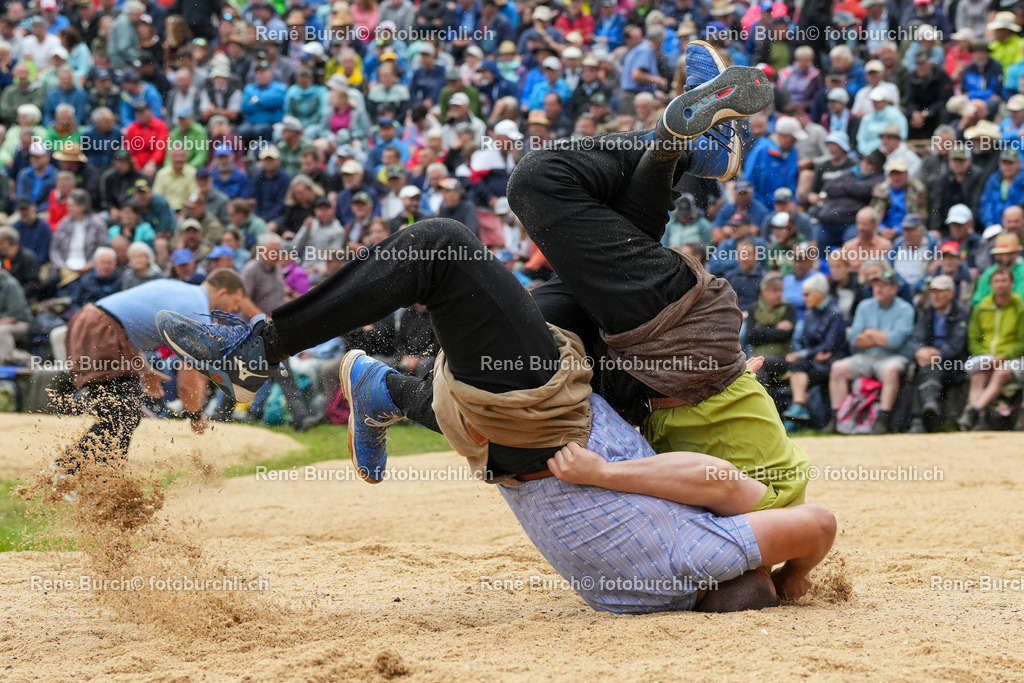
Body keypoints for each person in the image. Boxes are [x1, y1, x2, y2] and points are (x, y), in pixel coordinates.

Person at [158, 74, 836, 613]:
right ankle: (683, 152)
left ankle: (274, 357)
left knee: (509, 204)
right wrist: (791, 587)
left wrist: (792, 582)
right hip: (638, 377)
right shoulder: (628, 592)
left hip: (575, 403)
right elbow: (767, 505)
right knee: (531, 229)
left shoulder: (695, 557)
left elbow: (787, 517)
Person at [56, 270, 246, 476]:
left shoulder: (183, 291)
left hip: (94, 323)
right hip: (100, 329)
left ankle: (102, 485)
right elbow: (187, 381)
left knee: (122, 417)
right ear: (223, 292)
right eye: (236, 301)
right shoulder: (196, 313)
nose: (235, 309)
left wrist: (145, 370)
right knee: (120, 417)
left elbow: (129, 320)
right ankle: (63, 472)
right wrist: (195, 415)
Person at [827, 268, 915, 434]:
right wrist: (882, 339)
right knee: (838, 368)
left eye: (884, 286)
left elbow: (895, 342)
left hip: (893, 357)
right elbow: (854, 341)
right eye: (876, 285)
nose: (878, 289)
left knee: (891, 370)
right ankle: (837, 417)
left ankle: (883, 418)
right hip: (865, 357)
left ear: (894, 289)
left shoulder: (906, 309)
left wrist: (870, 333)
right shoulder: (864, 306)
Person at [958, 267, 1024, 431]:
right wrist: (986, 357)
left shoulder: (1020, 307)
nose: (1000, 285)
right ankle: (978, 419)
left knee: (1000, 373)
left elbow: (1022, 341)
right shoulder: (982, 307)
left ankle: (972, 412)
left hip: (1013, 359)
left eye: (1004, 281)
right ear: (991, 284)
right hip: (986, 357)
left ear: (1011, 283)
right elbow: (973, 339)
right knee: (977, 376)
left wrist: (1004, 356)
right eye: (996, 281)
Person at [782, 273, 849, 424]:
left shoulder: (835, 314)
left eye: (806, 294)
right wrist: (811, 354)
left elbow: (829, 346)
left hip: (833, 360)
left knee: (799, 370)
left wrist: (805, 354)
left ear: (819, 294)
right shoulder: (809, 314)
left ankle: (798, 409)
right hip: (815, 361)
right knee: (797, 367)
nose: (803, 298)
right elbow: (807, 343)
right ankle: (798, 407)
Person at [908, 275, 969, 433]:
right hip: (929, 360)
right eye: (933, 292)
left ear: (950, 293)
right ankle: (928, 406)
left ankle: (918, 419)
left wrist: (937, 354)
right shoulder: (928, 311)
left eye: (939, 292)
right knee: (924, 367)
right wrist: (920, 350)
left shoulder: (961, 312)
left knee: (929, 367)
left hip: (954, 363)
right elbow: (916, 337)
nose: (934, 296)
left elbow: (957, 345)